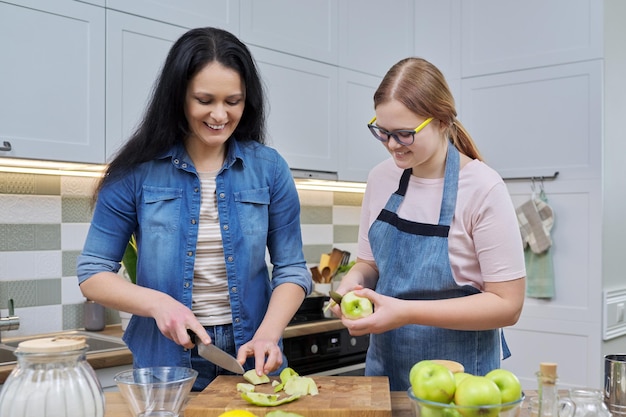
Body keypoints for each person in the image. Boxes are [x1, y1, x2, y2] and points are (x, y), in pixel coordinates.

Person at [76, 27, 311, 391]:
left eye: (233, 101)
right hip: (164, 360)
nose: (220, 114)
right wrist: (158, 305)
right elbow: (92, 273)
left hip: (252, 354)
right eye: (205, 100)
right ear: (178, 98)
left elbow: (293, 270)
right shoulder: (135, 172)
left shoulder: (269, 169)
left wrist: (269, 333)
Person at [331, 57, 526, 391]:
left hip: (463, 385)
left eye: (405, 134)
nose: (392, 145)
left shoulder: (483, 188)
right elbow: (369, 263)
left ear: (441, 121)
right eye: (382, 132)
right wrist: (352, 283)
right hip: (385, 374)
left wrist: (405, 312)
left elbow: (508, 305)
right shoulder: (380, 179)